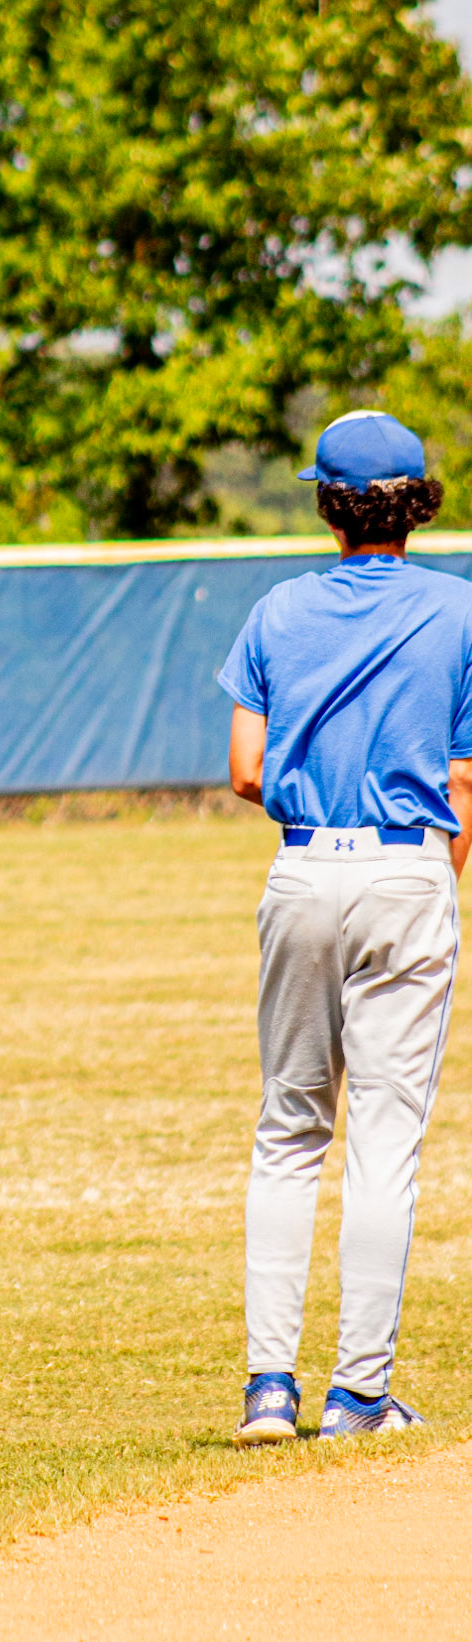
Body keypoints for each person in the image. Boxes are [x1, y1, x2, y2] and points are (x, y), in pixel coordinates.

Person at [219, 410, 472, 1447]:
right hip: (407, 863)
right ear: (416, 504)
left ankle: (267, 1388)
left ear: (328, 504)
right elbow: (462, 779)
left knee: (287, 1132)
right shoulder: (458, 609)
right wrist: (425, 881)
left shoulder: (277, 608)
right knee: (382, 1140)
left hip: (300, 863)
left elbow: (243, 769)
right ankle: (356, 1392)